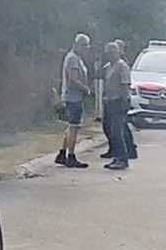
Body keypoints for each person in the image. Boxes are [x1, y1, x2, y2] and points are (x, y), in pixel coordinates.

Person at [54, 34, 95, 168]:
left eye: (87, 46)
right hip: (74, 97)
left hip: (74, 96)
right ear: (77, 44)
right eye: (84, 45)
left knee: (72, 126)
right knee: (74, 127)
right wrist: (86, 89)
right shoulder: (72, 58)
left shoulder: (76, 58)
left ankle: (62, 153)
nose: (86, 48)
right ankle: (71, 156)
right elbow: (73, 79)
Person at [96, 39, 138, 171]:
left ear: (118, 53)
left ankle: (123, 158)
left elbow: (125, 85)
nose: (111, 55)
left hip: (119, 101)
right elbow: (97, 75)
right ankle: (115, 155)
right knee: (109, 129)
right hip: (109, 102)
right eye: (109, 52)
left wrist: (123, 101)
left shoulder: (122, 66)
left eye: (114, 52)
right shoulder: (108, 66)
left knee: (117, 131)